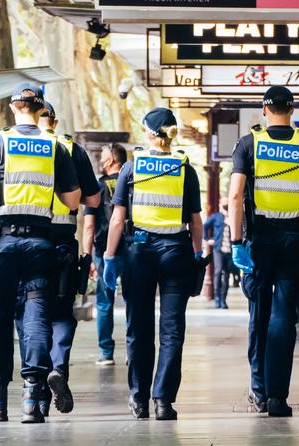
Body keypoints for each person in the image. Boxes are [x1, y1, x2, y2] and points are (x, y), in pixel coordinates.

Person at [0, 84, 81, 423]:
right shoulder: (55, 147)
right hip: (41, 244)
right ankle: (32, 397)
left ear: (12, 108)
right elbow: (72, 201)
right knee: (37, 317)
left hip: (2, 243)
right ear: (41, 109)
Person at [229, 86, 299, 417]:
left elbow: (234, 197)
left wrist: (236, 242)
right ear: (292, 109)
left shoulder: (249, 144)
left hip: (258, 239)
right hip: (292, 236)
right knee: (285, 314)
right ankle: (278, 396)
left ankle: (258, 389)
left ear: (264, 110)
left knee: (259, 313)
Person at [103, 108, 203, 420]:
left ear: (148, 133)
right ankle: (163, 401)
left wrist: (108, 257)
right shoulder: (186, 168)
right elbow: (196, 222)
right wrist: (199, 256)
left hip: (139, 253)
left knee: (139, 327)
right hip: (176, 251)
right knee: (172, 330)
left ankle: (139, 399)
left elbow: (118, 219)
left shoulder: (131, 168)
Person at [14, 101, 100, 415]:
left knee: (28, 314)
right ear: (55, 119)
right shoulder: (71, 150)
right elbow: (93, 200)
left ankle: (33, 386)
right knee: (62, 313)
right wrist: (88, 251)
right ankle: (58, 370)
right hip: (63, 241)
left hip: (23, 240)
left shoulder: (13, 145)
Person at [83, 143, 128, 366]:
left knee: (104, 303)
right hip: (130, 251)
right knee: (134, 302)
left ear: (111, 160)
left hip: (103, 253)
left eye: (102, 157)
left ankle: (106, 353)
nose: (100, 160)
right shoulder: (133, 184)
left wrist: (87, 254)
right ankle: (133, 350)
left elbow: (89, 225)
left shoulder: (96, 188)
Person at [203, 196, 233, 309]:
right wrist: (207, 239)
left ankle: (223, 300)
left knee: (226, 275)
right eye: (224, 202)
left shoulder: (232, 217)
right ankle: (217, 299)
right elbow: (205, 226)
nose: (226, 203)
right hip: (218, 249)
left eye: (227, 202)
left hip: (229, 250)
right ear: (220, 203)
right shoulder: (216, 217)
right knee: (218, 271)